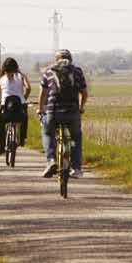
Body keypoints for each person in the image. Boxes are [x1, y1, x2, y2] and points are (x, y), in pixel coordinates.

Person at [38, 49, 88, 178]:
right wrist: (81, 107)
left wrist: (41, 109)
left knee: (47, 132)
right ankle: (76, 168)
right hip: (72, 112)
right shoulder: (77, 71)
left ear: (56, 60)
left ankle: (51, 161)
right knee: (76, 137)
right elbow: (84, 93)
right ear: (70, 59)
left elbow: (43, 94)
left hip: (53, 112)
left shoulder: (48, 72)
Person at [0, 57, 30, 155]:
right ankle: (22, 138)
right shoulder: (22, 76)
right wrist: (24, 98)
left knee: (0, 125)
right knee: (24, 120)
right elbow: (28, 88)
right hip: (20, 105)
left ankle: (2, 145)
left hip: (5, 106)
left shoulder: (2, 78)